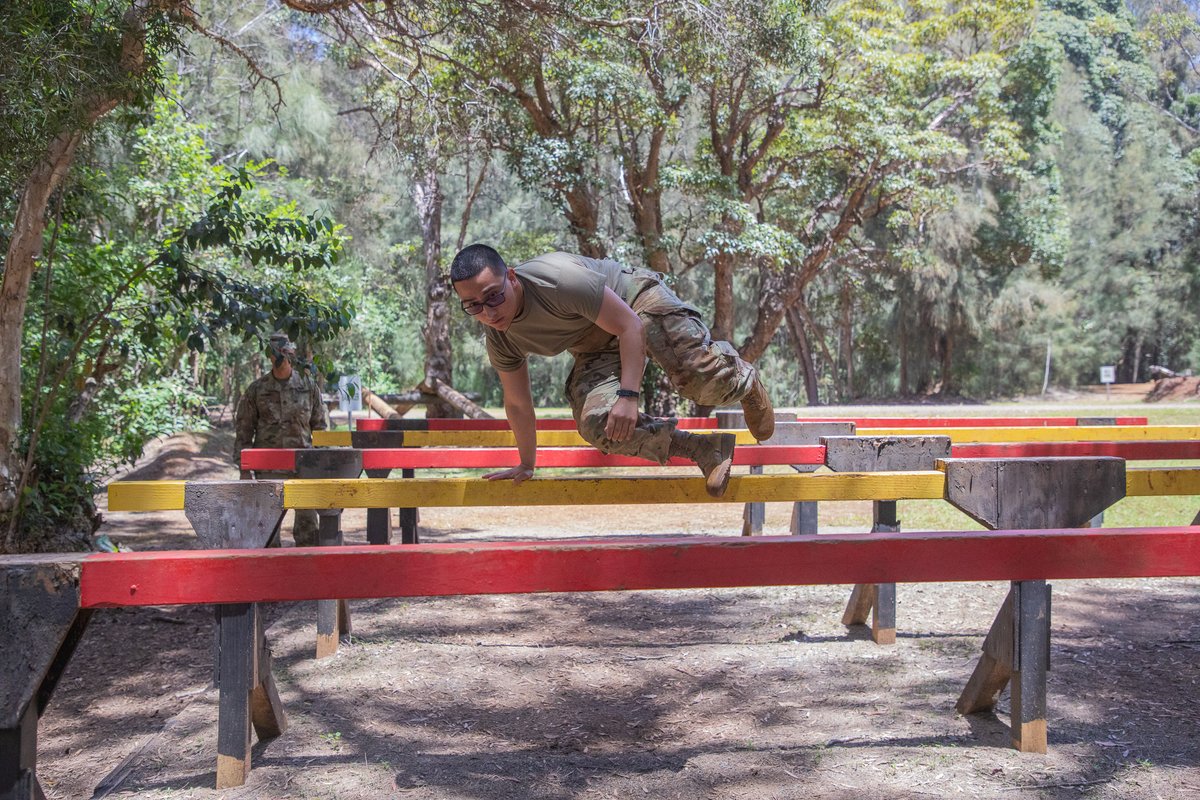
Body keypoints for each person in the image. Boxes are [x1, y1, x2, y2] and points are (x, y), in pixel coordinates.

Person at [449, 245, 774, 498]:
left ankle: (743, 380)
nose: (488, 312)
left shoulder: (559, 280)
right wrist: (527, 463)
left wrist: (629, 395)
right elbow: (518, 403)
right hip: (593, 340)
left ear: (512, 277)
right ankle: (706, 450)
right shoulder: (500, 337)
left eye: (493, 296)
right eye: (473, 305)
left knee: (698, 381)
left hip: (633, 302)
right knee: (599, 424)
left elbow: (629, 326)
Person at [233, 332, 327, 545]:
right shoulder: (257, 390)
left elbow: (320, 427)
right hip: (268, 468)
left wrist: (323, 466)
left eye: (285, 352)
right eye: (276, 353)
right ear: (269, 356)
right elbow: (244, 431)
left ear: (292, 354)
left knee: (308, 530)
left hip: (304, 467)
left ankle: (307, 573)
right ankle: (269, 575)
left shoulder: (308, 386)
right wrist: (244, 470)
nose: (280, 357)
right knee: (267, 531)